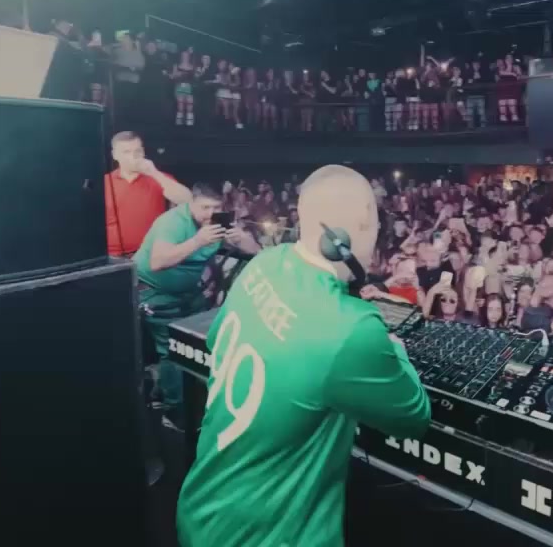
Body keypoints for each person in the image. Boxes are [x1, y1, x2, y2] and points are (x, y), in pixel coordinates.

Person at [177, 166, 430, 547]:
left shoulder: (264, 263)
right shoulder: (350, 327)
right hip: (270, 537)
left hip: (203, 511)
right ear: (357, 229)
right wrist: (396, 348)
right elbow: (414, 417)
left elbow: (218, 341)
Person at [135, 183, 260, 428]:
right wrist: (198, 241)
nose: (210, 213)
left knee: (206, 340)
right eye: (204, 207)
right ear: (191, 203)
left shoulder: (219, 224)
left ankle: (184, 395)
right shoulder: (172, 222)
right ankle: (174, 413)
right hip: (155, 292)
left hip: (189, 293)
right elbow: (157, 262)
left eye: (216, 207)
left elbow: (256, 251)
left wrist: (242, 240)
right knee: (172, 348)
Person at [104, 131, 194, 257]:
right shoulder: (105, 182)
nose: (133, 157)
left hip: (150, 253)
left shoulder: (159, 178)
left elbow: (187, 200)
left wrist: (154, 173)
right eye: (126, 152)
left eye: (137, 151)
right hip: (112, 255)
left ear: (143, 152)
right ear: (115, 155)